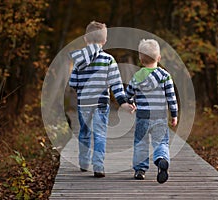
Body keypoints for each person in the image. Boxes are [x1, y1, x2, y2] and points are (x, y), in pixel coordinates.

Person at [69, 21, 135, 178]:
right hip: (100, 104)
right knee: (99, 133)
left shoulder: (78, 60)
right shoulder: (108, 60)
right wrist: (124, 102)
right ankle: (98, 166)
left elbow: (72, 83)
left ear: (86, 38)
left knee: (84, 131)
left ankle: (84, 162)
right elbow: (116, 84)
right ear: (104, 41)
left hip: (83, 103)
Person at [126, 39, 178, 184]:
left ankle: (140, 170)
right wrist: (174, 115)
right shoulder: (165, 76)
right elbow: (171, 98)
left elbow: (128, 94)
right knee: (161, 142)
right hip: (160, 116)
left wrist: (131, 103)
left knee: (140, 143)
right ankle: (161, 159)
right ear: (159, 58)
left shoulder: (137, 76)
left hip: (143, 116)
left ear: (141, 60)